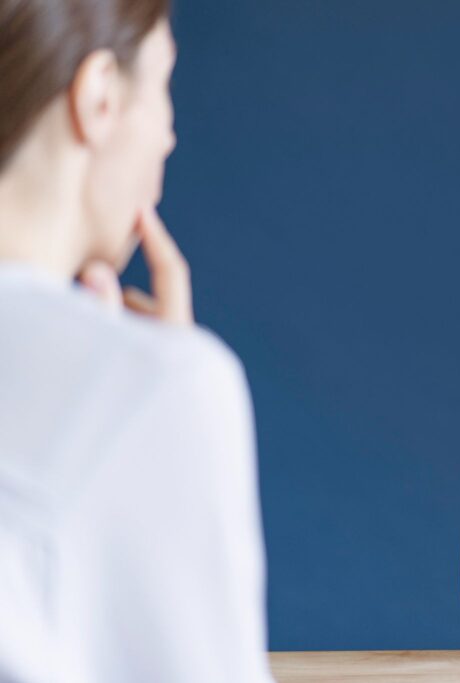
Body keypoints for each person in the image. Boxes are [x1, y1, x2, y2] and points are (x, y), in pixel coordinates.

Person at [0, 2, 273, 680]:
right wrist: (164, 383)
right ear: (98, 97)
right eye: (162, 87)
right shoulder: (162, 384)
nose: (169, 137)